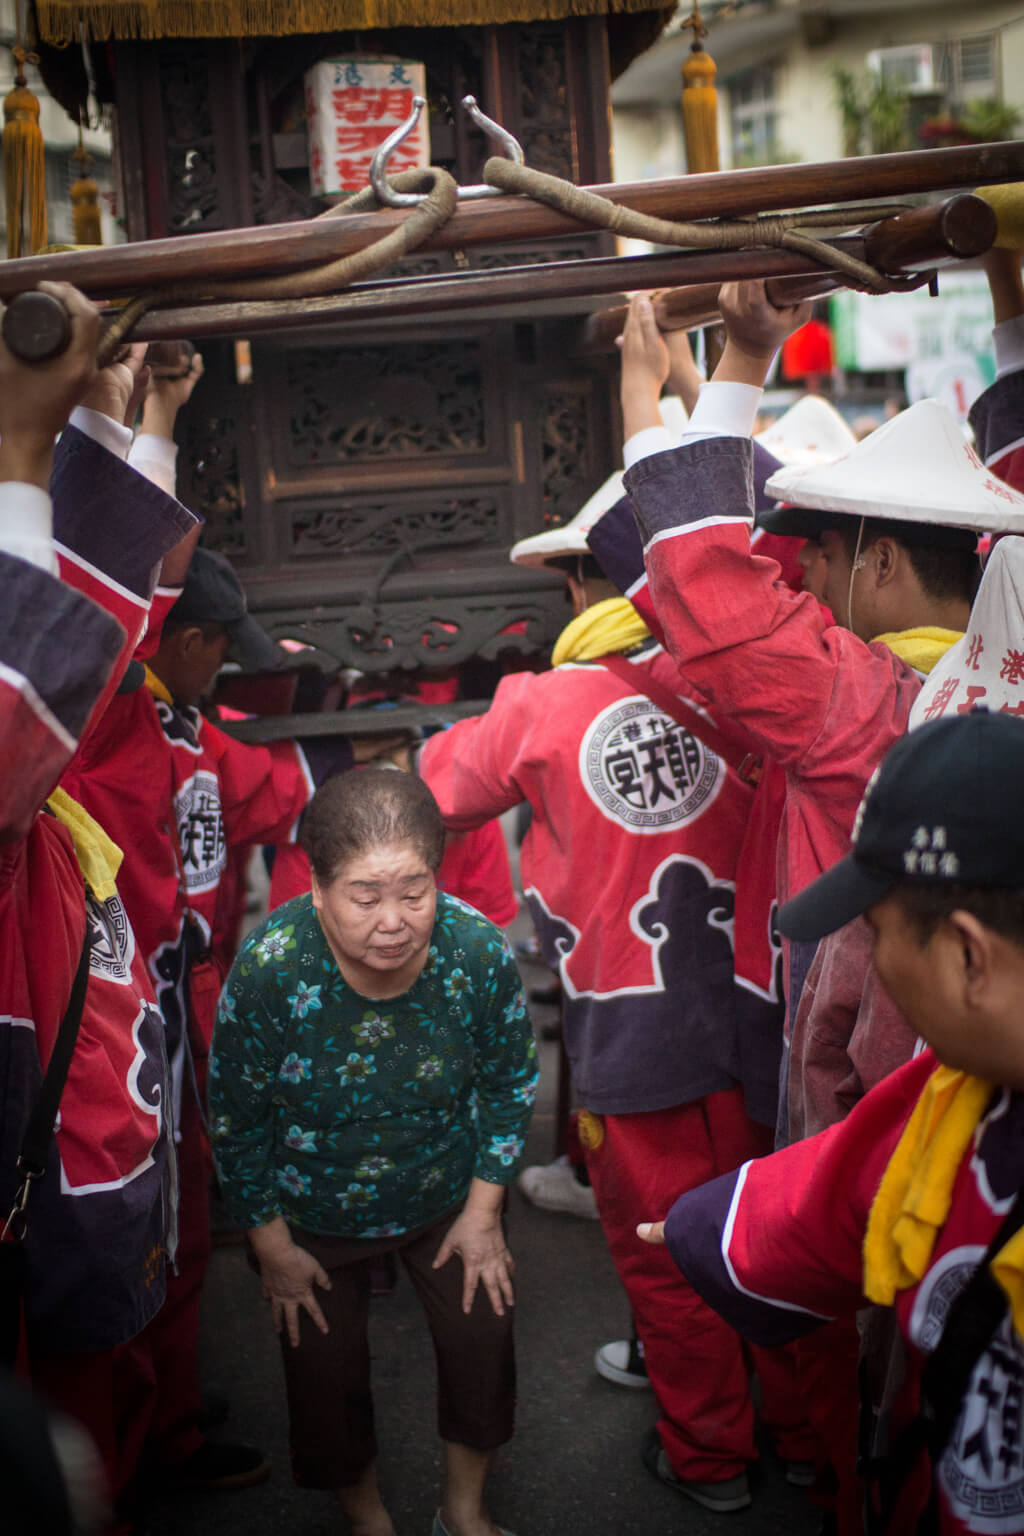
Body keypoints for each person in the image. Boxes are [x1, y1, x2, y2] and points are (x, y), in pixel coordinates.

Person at [412, 485, 813, 1512]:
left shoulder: (543, 707)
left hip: (633, 1037)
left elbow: (433, 790)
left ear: (585, 583)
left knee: (667, 1261)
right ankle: (811, 1441)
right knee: (793, 1238)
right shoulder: (754, 680)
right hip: (770, 1021)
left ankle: (711, 1459)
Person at [638, 708, 1024, 1534]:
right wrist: (704, 1226)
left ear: (967, 955)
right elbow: (843, 1191)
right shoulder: (960, 1093)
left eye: (876, 932)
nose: (871, 960)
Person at [208, 768, 536, 1536]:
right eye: (364, 897)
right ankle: (367, 1520)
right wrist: (272, 1246)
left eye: (413, 892)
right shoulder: (271, 970)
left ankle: (464, 1513)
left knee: (483, 1343)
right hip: (309, 1209)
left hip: (446, 1195)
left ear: (438, 878)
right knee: (323, 1379)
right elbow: (234, 1119)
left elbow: (513, 1080)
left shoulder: (475, 951)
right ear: (317, 889)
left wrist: (485, 1212)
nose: (393, 921)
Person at [0, 287, 199, 1530]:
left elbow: (104, 619)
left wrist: (128, 410)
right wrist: (33, 448)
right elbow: (39, 679)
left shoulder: (57, 811)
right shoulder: (42, 790)